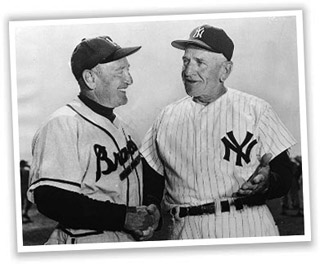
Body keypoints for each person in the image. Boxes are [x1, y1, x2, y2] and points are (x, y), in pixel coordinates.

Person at [141, 25, 296, 239]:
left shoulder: (256, 110)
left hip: (246, 225)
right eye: (186, 61)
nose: (188, 71)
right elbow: (152, 175)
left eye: (200, 63)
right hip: (184, 230)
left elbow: (285, 175)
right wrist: (152, 205)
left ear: (225, 70)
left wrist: (268, 183)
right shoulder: (166, 116)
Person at [27, 36, 160, 244]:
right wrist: (122, 217)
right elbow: (50, 198)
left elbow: (148, 179)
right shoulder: (63, 123)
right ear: (90, 78)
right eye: (120, 72)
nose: (129, 79)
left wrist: (153, 208)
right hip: (84, 242)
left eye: (128, 69)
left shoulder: (127, 129)